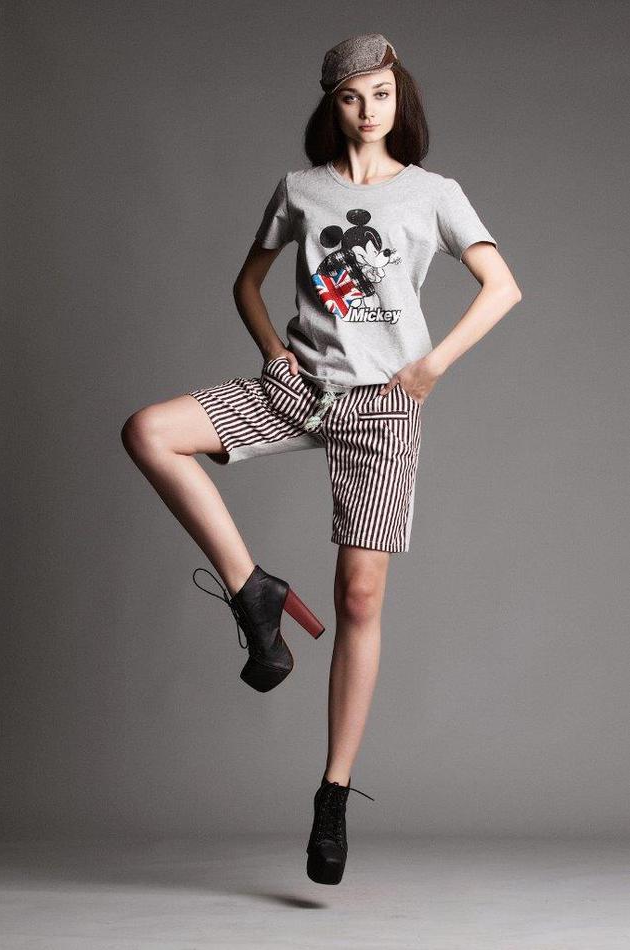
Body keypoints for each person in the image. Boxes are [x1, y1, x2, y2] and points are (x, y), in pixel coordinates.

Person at [121, 32, 522, 885]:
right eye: (350, 96)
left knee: (359, 596)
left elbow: (503, 287)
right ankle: (252, 589)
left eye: (380, 93)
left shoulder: (434, 194)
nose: (367, 110)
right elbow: (247, 283)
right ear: (330, 104)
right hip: (298, 389)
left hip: (382, 408)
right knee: (150, 430)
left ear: (398, 98)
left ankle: (332, 794)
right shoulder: (299, 189)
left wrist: (431, 367)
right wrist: (273, 352)